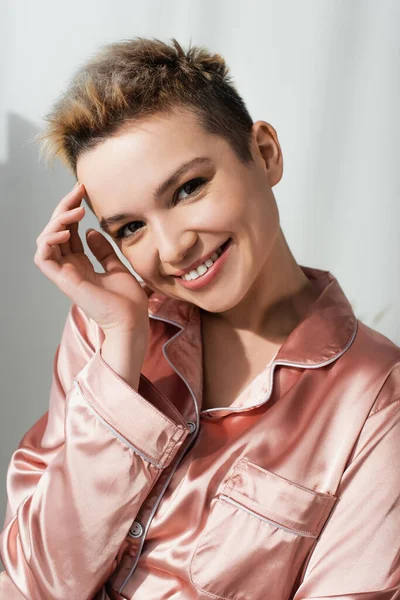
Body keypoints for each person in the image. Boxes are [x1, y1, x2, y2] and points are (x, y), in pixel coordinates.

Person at [0, 37, 399, 600]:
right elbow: (33, 583)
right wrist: (120, 347)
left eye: (189, 188)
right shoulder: (109, 329)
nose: (172, 247)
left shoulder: (376, 404)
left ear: (264, 153)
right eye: (130, 228)